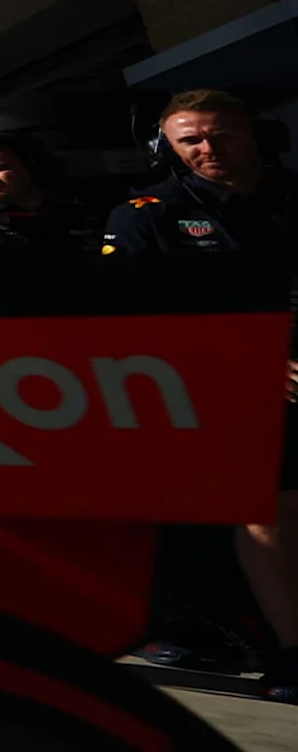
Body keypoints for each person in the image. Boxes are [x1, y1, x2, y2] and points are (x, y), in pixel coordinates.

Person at [104, 89, 298, 697]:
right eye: (190, 139)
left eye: (222, 135)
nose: (207, 149)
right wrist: (249, 361)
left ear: (257, 135)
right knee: (271, 510)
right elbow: (126, 321)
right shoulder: (146, 214)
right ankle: (294, 652)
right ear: (167, 147)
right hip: (228, 388)